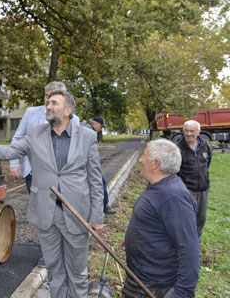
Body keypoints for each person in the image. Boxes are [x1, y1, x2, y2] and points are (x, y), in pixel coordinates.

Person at [0, 90, 104, 298]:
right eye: (48, 102)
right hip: (46, 214)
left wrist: (97, 216)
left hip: (76, 215)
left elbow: (95, 179)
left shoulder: (87, 137)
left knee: (77, 273)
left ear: (68, 110)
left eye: (54, 103)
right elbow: (10, 151)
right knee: (55, 271)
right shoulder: (35, 133)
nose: (48, 106)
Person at [9, 81, 80, 267]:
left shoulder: (74, 119)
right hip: (34, 173)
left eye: (53, 97)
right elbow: (17, 138)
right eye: (46, 96)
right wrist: (15, 163)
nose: (48, 101)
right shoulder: (31, 113)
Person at [120, 140, 200, 298]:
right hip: (139, 280)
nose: (141, 160)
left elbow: (189, 249)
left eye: (144, 155)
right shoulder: (158, 186)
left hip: (154, 288)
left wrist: (182, 293)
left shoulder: (173, 197)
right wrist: (134, 238)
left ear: (156, 163)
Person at [176, 120, 212, 241]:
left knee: (201, 217)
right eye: (186, 130)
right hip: (187, 188)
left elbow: (207, 164)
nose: (189, 133)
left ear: (198, 132)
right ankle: (186, 242)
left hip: (203, 188)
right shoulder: (178, 148)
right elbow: (175, 169)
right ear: (183, 131)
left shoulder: (205, 145)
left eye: (192, 131)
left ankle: (197, 241)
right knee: (187, 217)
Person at [87, 116, 116, 214]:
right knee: (101, 181)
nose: (100, 129)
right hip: (85, 166)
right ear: (95, 124)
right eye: (100, 127)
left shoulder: (86, 130)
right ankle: (104, 206)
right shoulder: (90, 133)